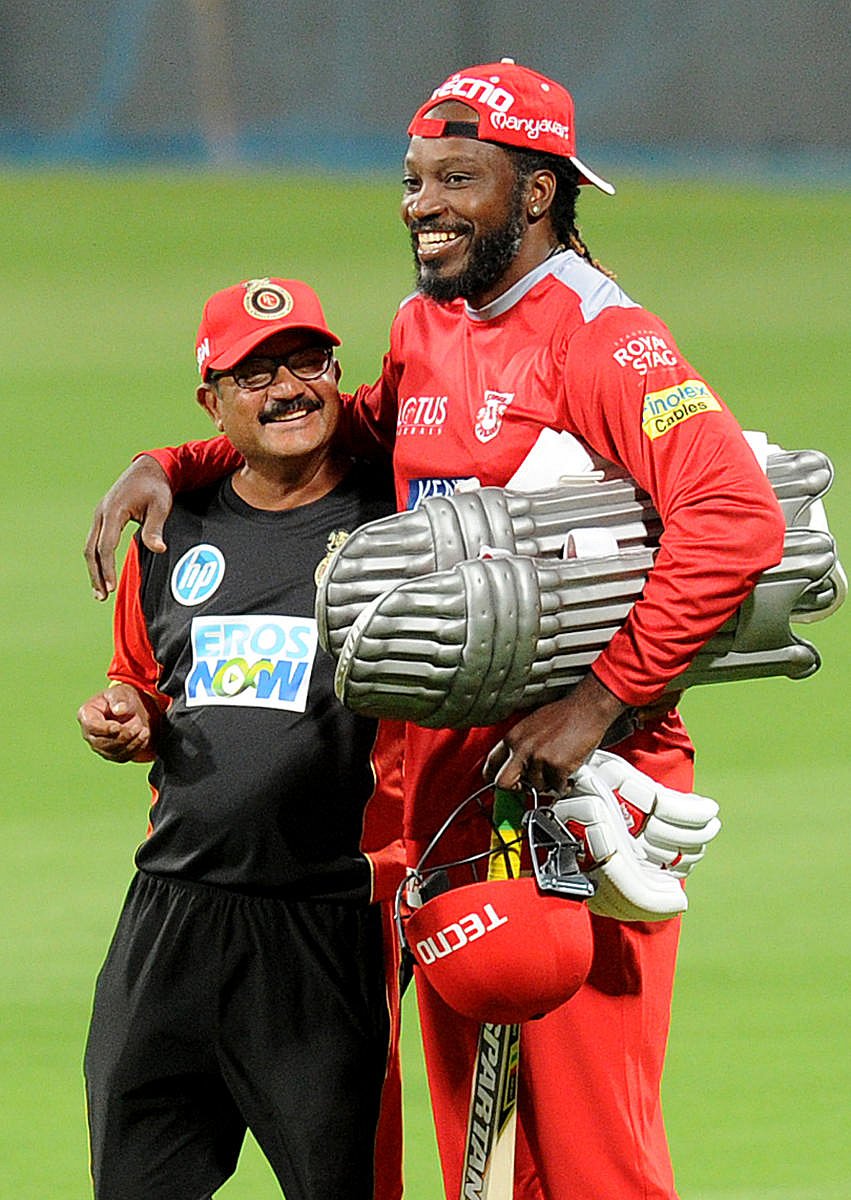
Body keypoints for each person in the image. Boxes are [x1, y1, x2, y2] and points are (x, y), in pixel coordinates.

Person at [83, 62, 787, 1200]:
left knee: (589, 1159)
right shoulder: (427, 325)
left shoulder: (603, 341)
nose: (424, 203)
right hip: (448, 808)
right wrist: (174, 459)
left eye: (460, 177)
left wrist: (599, 699)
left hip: (576, 807)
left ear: (539, 191)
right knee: (481, 1160)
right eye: (413, 179)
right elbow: (343, 431)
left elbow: (732, 517)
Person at [77, 277, 406, 1200]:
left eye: (307, 362)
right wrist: (123, 715)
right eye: (254, 373)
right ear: (212, 402)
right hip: (170, 915)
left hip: (324, 919)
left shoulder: (397, 517)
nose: (289, 389)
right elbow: (140, 679)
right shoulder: (172, 528)